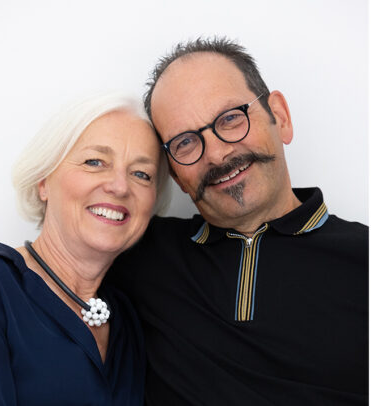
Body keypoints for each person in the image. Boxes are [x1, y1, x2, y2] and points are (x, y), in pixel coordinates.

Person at [108, 38, 368, 405]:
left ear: (280, 117)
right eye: (185, 142)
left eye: (230, 118)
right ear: (175, 174)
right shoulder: (138, 251)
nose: (216, 154)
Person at [0, 93, 171, 405]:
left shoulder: (129, 318)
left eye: (141, 174)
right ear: (43, 181)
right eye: (95, 162)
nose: (120, 187)